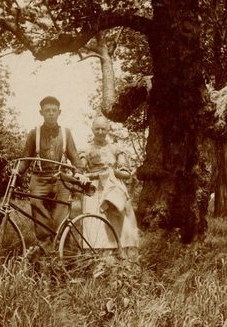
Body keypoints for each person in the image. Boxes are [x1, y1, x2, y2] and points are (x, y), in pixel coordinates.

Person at [15, 96, 84, 251]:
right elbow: (26, 158)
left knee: (62, 221)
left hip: (61, 180)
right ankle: (47, 256)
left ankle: (65, 258)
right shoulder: (34, 133)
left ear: (59, 112)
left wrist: (79, 172)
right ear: (41, 113)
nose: (51, 113)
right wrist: (17, 171)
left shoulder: (66, 133)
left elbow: (74, 157)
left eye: (54, 110)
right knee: (40, 220)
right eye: (47, 111)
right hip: (39, 180)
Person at [79, 116, 139, 248]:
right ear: (92, 129)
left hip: (114, 187)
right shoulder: (86, 149)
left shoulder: (116, 149)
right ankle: (97, 258)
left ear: (108, 130)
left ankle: (122, 255)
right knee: (95, 223)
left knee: (122, 224)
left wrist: (113, 173)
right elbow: (81, 171)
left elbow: (126, 174)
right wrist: (96, 175)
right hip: (94, 189)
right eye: (97, 129)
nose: (100, 132)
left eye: (103, 129)